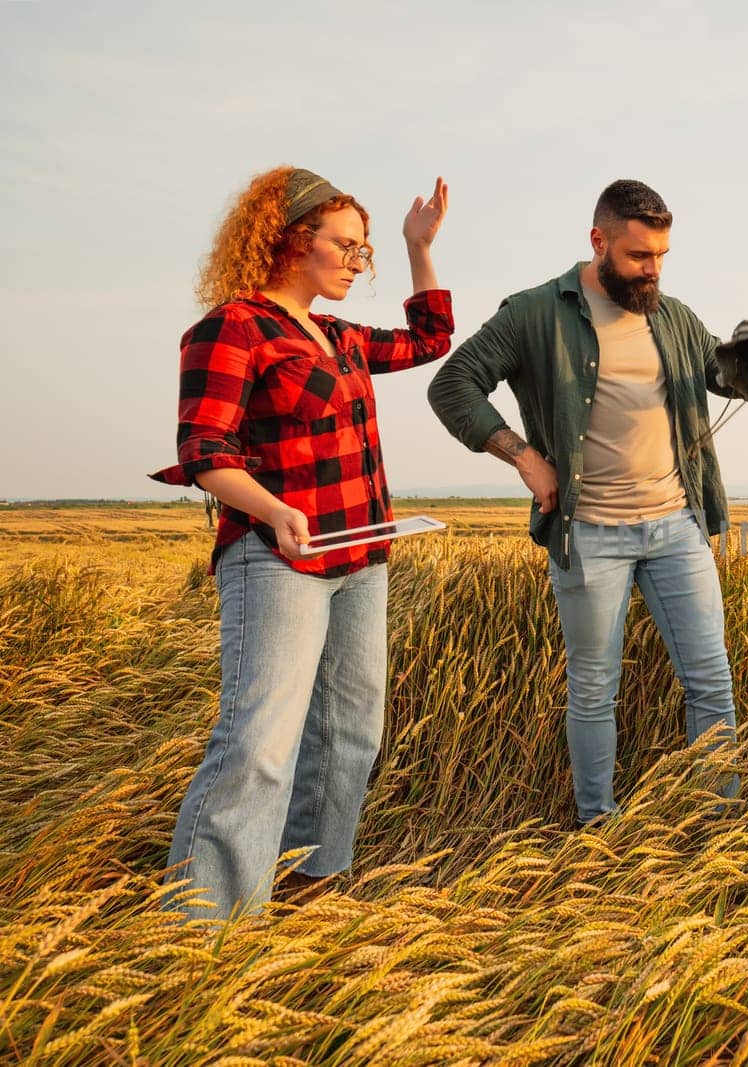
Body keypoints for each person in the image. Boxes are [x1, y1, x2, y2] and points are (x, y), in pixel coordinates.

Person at [427, 179, 748, 826]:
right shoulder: (534, 313)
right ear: (598, 241)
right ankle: (599, 823)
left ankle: (719, 822)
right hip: (588, 531)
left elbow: (723, 372)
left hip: (677, 526)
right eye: (638, 256)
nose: (652, 270)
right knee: (595, 690)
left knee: (711, 681)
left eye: (661, 255)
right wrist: (522, 454)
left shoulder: (671, 315)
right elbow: (453, 384)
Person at [150, 167, 453, 920]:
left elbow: (431, 338)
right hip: (277, 557)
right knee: (259, 739)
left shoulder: (342, 337)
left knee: (352, 729)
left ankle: (310, 881)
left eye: (366, 250)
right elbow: (204, 449)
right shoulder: (235, 327)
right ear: (291, 241)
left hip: (362, 555)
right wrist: (275, 511)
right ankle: (202, 922)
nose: (358, 261)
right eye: (345, 245)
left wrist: (421, 248)